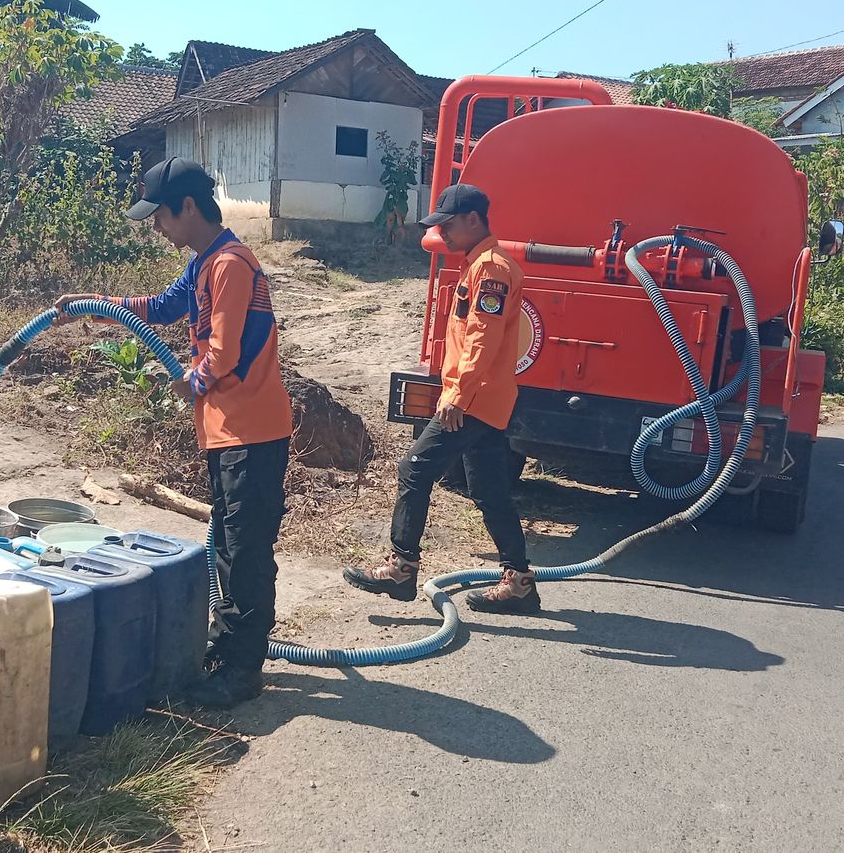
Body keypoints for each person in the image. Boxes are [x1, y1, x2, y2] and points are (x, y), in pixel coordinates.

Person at [55, 157, 293, 707]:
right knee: (231, 547)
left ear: (187, 206)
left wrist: (194, 380)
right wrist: (94, 307)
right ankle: (229, 648)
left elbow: (226, 350)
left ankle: (241, 670)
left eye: (158, 215)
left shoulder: (231, 263)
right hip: (230, 431)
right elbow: (162, 307)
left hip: (251, 433)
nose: (156, 227)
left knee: (246, 550)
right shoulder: (205, 263)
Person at [342, 184, 538, 613]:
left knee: (414, 467)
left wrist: (458, 396)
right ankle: (519, 581)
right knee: (489, 490)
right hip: (480, 399)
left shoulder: (492, 269)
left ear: (473, 220)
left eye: (447, 226)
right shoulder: (478, 265)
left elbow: (482, 340)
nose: (442, 234)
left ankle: (401, 567)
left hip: (474, 399)